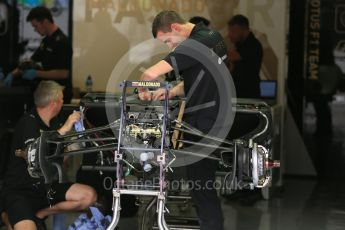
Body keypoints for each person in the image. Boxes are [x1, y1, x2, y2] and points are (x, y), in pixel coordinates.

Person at [138, 10, 229, 230]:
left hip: (204, 124)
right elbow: (201, 78)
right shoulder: (212, 37)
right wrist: (171, 92)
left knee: (202, 188)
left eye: (168, 40)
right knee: (203, 186)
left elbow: (150, 74)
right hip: (214, 120)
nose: (170, 46)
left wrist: (143, 88)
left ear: (176, 28)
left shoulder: (192, 46)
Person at [1, 81, 97, 230]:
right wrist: (65, 129)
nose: (63, 103)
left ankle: (41, 213)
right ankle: (8, 215)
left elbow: (61, 155)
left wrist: (80, 142)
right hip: (21, 191)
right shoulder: (28, 122)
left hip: (48, 188)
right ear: (54, 103)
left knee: (89, 196)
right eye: (62, 100)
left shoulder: (54, 122)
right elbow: (37, 154)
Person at [3, 6, 73, 103]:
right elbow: (31, 61)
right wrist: (13, 74)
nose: (35, 30)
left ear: (45, 22)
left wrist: (37, 73)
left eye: (36, 26)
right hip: (48, 94)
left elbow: (63, 73)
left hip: (60, 97)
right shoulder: (46, 41)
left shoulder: (62, 42)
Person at [228, 15, 263, 98]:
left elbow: (231, 56)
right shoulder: (240, 44)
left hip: (248, 96)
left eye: (234, 32)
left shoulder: (252, 44)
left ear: (244, 30)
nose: (230, 35)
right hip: (240, 94)